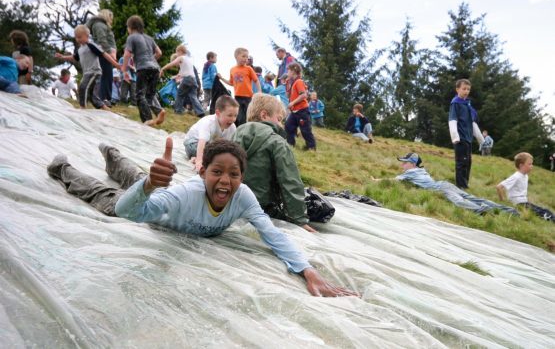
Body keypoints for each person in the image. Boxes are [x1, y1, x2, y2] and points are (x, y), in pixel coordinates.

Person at [46, 138, 358, 298]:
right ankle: (62, 168)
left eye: (233, 174)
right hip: (152, 214)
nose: (225, 180)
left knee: (141, 177)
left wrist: (307, 270)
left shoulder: (243, 196)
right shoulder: (184, 195)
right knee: (108, 197)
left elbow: (271, 233)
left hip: (155, 197)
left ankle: (115, 158)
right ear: (202, 171)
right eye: (217, 172)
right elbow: (131, 212)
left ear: (242, 176)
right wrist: (150, 186)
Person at [233, 93, 318, 233]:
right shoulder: (277, 143)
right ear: (264, 115)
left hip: (231, 202)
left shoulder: (234, 135)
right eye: (279, 119)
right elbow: (290, 181)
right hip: (261, 208)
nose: (281, 125)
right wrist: (299, 220)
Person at [371, 152, 519, 216]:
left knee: (459, 202)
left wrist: (376, 181)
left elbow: (392, 180)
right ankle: (508, 211)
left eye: (404, 163)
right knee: (472, 197)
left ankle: (480, 210)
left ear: (412, 164)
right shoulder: (422, 171)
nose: (402, 166)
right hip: (445, 184)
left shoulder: (409, 173)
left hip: (441, 188)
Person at [54, 25, 120, 110]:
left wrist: (115, 64)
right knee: (92, 96)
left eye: (80, 37)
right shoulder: (80, 49)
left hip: (94, 72)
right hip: (87, 73)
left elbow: (104, 54)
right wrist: (62, 57)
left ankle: (83, 107)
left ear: (87, 35)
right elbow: (74, 57)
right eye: (76, 38)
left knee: (83, 86)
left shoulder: (91, 45)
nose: (78, 39)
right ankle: (105, 108)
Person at [121, 15, 165, 126]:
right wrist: (151, 61)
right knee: (150, 94)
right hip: (155, 68)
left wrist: (124, 69)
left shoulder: (131, 37)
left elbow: (127, 54)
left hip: (143, 68)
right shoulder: (149, 38)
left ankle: (147, 120)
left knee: (140, 95)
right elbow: (159, 53)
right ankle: (159, 111)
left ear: (130, 27)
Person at [183, 95, 239, 172]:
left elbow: (230, 145)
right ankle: (197, 158)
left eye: (235, 116)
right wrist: (199, 161)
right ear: (218, 113)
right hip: (193, 143)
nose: (233, 119)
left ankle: (195, 158)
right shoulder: (209, 122)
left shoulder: (232, 127)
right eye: (229, 115)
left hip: (209, 145)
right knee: (211, 151)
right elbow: (201, 143)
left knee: (221, 150)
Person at [496, 152, 554, 222]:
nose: (532, 166)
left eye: (532, 164)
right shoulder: (516, 176)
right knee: (541, 213)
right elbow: (499, 187)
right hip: (519, 204)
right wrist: (502, 201)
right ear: (521, 165)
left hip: (524, 202)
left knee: (545, 210)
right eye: (529, 164)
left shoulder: (525, 176)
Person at [448, 79, 485, 189]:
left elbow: (473, 124)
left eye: (468, 89)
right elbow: (452, 120)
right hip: (460, 139)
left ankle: (465, 184)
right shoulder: (455, 104)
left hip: (468, 139)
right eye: (464, 89)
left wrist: (481, 140)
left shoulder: (467, 105)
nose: (466, 91)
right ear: (457, 89)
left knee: (468, 162)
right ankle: (460, 186)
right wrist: (455, 137)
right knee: (461, 163)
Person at [220, 47, 261, 126]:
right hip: (237, 97)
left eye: (247, 57)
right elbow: (231, 83)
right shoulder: (232, 69)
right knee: (238, 116)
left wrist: (259, 92)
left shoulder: (249, 69)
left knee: (248, 116)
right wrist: (221, 78)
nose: (246, 59)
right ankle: (238, 130)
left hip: (248, 97)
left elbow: (256, 80)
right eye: (243, 56)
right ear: (236, 56)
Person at [160, 45, 204, 117]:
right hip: (193, 80)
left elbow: (171, 64)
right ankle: (200, 112)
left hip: (187, 79)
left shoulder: (181, 57)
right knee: (193, 97)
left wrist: (162, 69)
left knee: (179, 95)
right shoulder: (189, 60)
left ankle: (178, 110)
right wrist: (175, 77)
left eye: (176, 52)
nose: (176, 55)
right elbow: (182, 73)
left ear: (180, 51)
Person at [86, 9, 117, 104]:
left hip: (105, 53)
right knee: (104, 76)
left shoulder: (101, 25)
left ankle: (106, 98)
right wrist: (110, 53)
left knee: (108, 76)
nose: (111, 20)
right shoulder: (99, 25)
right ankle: (103, 98)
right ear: (107, 16)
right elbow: (102, 41)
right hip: (103, 54)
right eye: (111, 17)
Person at [284, 62, 316, 150]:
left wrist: (292, 103)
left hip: (302, 111)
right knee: (288, 126)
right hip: (295, 111)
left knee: (305, 130)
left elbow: (304, 95)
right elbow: (287, 96)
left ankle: (311, 148)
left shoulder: (299, 82)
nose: (287, 73)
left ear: (293, 71)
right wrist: (287, 84)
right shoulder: (293, 82)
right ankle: (290, 144)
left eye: (288, 71)